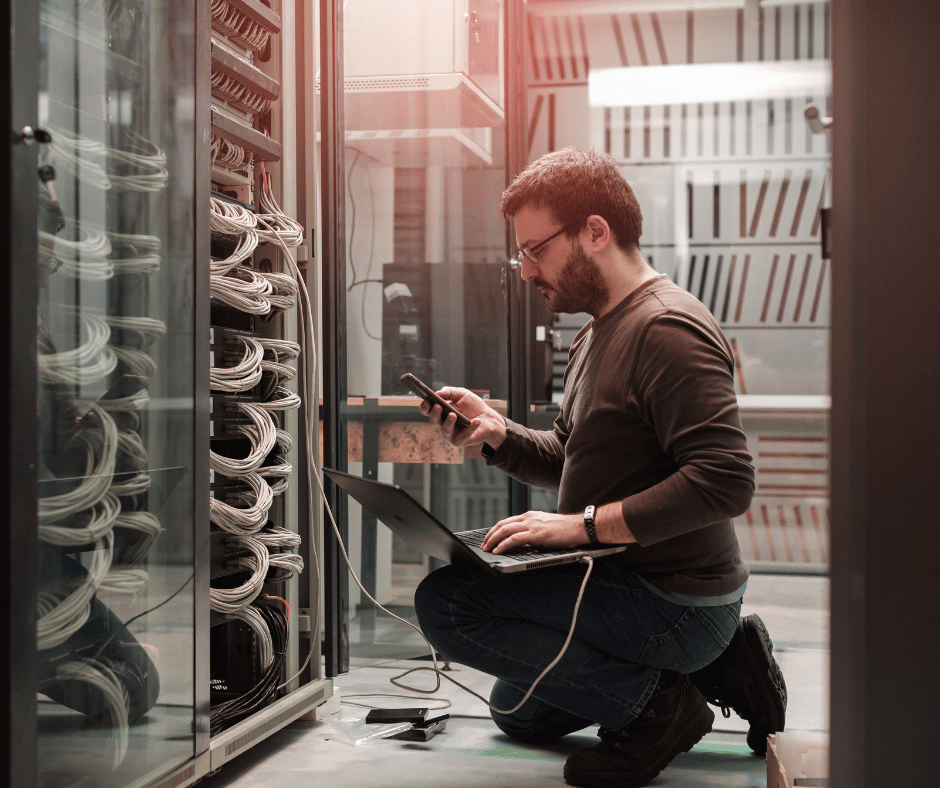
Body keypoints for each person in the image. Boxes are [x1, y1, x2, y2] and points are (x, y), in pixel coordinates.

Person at [412, 148, 786, 788]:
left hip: (672, 597)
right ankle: (721, 665)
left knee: (450, 604)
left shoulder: (666, 328)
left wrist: (581, 528)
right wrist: (497, 435)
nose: (527, 271)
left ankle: (663, 706)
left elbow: (725, 480)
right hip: (622, 576)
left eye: (536, 250)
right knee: (517, 713)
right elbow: (570, 454)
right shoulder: (595, 331)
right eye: (521, 254)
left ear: (594, 230)